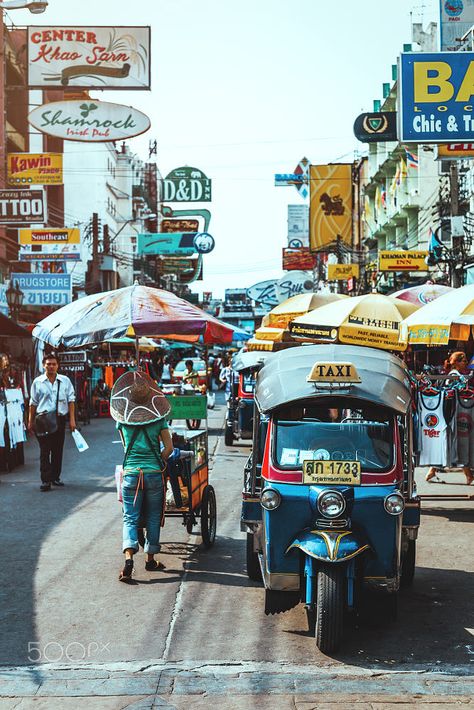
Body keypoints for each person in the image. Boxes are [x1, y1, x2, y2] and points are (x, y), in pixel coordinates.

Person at [111, 371, 173, 582]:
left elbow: (125, 447)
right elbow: (169, 448)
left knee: (130, 517)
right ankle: (150, 558)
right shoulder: (160, 420)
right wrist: (160, 460)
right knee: (154, 516)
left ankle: (129, 557)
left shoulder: (123, 421)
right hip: (154, 473)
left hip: (131, 474)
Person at [28, 353, 76, 492]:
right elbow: (33, 403)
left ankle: (55, 477)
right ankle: (45, 480)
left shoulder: (65, 381)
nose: (51, 366)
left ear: (58, 366)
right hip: (42, 420)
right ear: (44, 365)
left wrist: (72, 420)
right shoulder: (38, 382)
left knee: (57, 450)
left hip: (60, 419)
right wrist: (30, 421)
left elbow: (71, 400)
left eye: (53, 364)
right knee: (44, 450)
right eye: (48, 364)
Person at [426, 351, 474, 485]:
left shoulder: (455, 375)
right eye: (463, 361)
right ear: (457, 362)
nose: (465, 363)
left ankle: (433, 470)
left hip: (452, 412)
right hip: (453, 412)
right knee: (454, 442)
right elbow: (453, 393)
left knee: (451, 443)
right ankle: (467, 474)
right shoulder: (454, 376)